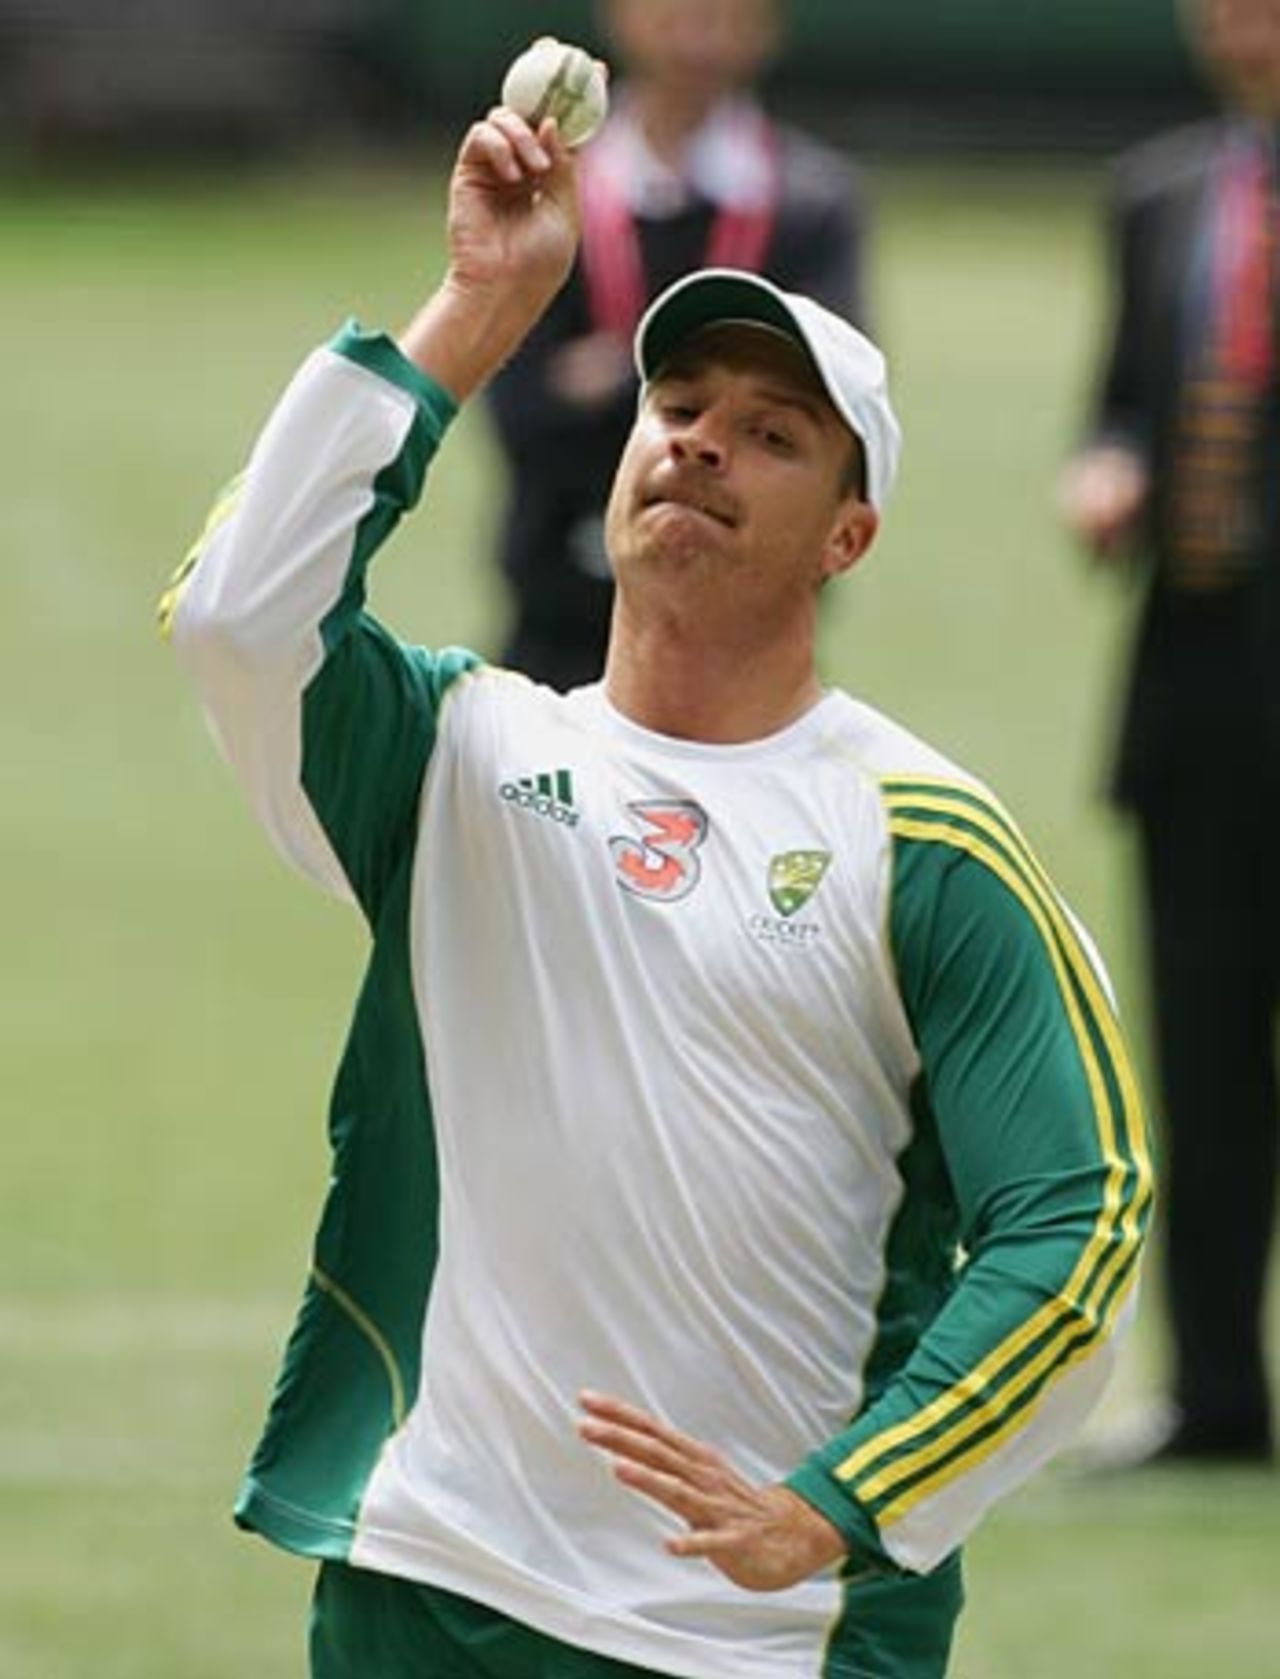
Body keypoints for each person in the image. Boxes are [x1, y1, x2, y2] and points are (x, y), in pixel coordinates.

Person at [163, 103, 1151, 1679]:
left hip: (755, 1633)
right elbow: (238, 617)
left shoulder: (929, 839)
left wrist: (846, 1499)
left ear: (851, 531)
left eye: (771, 433)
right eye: (677, 405)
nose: (697, 439)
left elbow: (1078, 1221)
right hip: (427, 1581)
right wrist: (481, 308)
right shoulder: (460, 752)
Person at [1058, 0, 1280, 1467]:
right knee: (1201, 1062)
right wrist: (1108, 469)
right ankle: (1216, 1398)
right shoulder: (1158, 193)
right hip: (1197, 700)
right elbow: (1121, 405)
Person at [485, 0, 868, 690]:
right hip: (556, 620)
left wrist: (610, 380)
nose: (700, 23)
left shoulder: (812, 201)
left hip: (741, 650)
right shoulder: (552, 183)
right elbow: (520, 412)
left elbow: (830, 416)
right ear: (620, 15)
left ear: (768, 26)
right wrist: (743, 408)